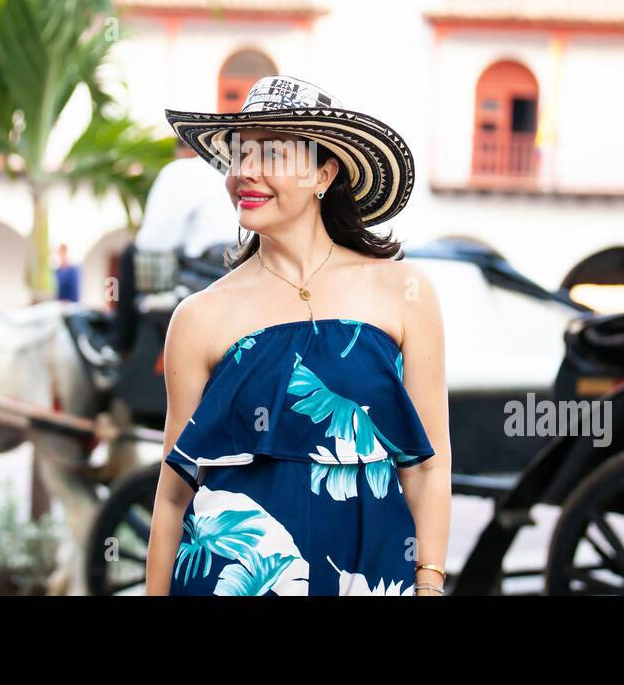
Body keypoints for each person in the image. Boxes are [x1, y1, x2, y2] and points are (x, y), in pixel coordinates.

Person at [145, 74, 452, 596]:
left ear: (323, 173)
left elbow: (427, 467)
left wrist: (428, 583)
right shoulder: (198, 318)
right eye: (239, 154)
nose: (244, 171)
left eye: (270, 154)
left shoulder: (404, 292)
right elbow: (174, 494)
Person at [108, 138, 239, 356]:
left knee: (130, 255)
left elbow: (153, 242)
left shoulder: (180, 170)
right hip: (239, 264)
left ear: (185, 148)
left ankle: (121, 346)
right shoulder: (233, 169)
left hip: (204, 271)